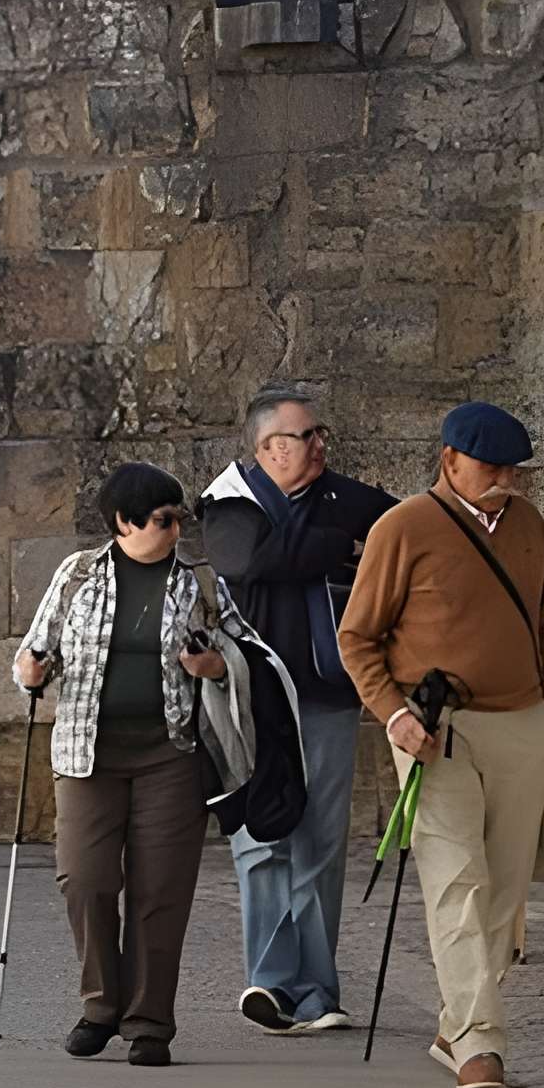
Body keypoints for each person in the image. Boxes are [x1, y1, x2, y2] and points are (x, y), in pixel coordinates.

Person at [338, 401, 544, 1088]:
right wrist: (392, 715)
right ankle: (478, 1042)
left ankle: (453, 1027)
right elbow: (357, 637)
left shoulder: (528, 524)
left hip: (523, 724)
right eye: (490, 467)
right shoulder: (403, 527)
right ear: (449, 461)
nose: (505, 480)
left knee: (504, 888)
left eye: (514, 469)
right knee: (456, 878)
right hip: (437, 730)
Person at [198, 384, 396, 1036]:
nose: (319, 444)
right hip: (254, 703)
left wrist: (336, 542)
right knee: (261, 840)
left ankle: (315, 993)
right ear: (268, 448)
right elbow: (254, 559)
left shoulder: (348, 499)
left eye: (319, 433)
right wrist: (341, 546)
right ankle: (271, 982)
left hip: (327, 696)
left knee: (319, 844)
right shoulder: (230, 502)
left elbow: (401, 539)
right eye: (304, 436)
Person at [15, 463, 227, 1068]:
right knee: (84, 879)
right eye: (162, 520)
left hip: (171, 752)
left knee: (160, 890)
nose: (175, 529)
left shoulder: (199, 581)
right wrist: (30, 670)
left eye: (179, 518)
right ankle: (100, 1006)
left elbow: (241, 650)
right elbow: (37, 649)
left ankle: (149, 1022)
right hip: (88, 754)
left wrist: (213, 667)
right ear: (123, 523)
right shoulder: (79, 574)